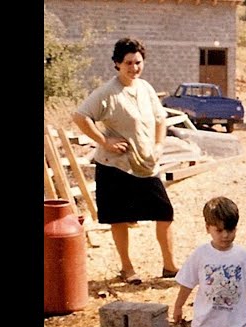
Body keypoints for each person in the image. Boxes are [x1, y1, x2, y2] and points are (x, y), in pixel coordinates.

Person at [73, 37, 178, 285]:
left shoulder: (146, 88)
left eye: (138, 62)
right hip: (115, 165)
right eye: (128, 63)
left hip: (146, 165)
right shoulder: (107, 92)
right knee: (119, 217)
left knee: (165, 212)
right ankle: (127, 268)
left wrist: (159, 144)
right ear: (117, 64)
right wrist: (104, 141)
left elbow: (160, 119)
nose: (134, 68)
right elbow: (80, 116)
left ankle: (170, 266)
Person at [172, 197, 246, 327]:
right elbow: (187, 282)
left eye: (230, 230)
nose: (225, 235)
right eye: (220, 230)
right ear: (208, 228)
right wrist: (178, 306)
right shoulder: (200, 255)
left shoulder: (242, 256)